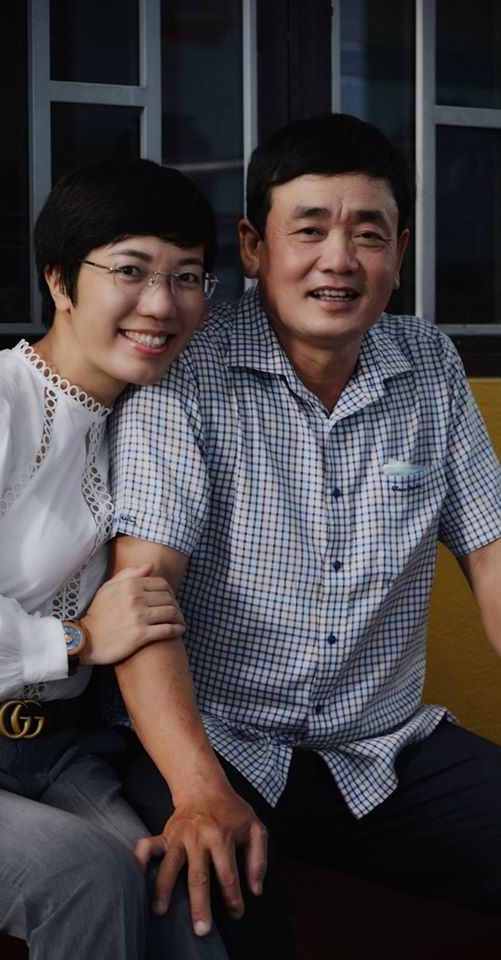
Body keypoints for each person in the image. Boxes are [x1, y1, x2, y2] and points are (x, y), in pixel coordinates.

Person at [107, 114, 501, 958]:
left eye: (369, 234)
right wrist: (198, 789)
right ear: (253, 247)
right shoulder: (186, 373)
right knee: (209, 895)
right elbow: (143, 596)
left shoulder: (429, 365)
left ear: (399, 253)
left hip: (382, 748)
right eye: (310, 229)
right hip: (220, 740)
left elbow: (494, 560)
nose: (339, 260)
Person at [0, 157, 230, 959]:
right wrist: (76, 639)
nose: (161, 304)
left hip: (54, 751)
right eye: (130, 271)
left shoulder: (132, 421)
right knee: (88, 877)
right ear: (59, 280)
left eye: (187, 277)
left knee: (180, 886)